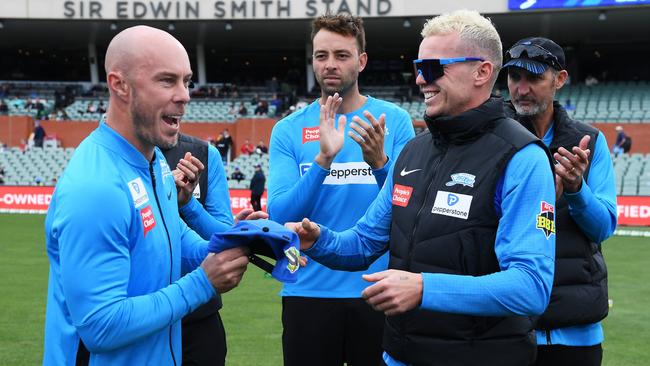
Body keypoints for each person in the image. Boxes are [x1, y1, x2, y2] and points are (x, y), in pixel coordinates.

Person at [286, 10, 557, 366]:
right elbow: (364, 242)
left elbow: (530, 287)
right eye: (418, 66)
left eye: (433, 68)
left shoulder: (522, 158)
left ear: (482, 71)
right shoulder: (414, 149)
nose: (420, 79)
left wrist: (423, 288)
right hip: (399, 355)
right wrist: (317, 239)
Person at [42, 25, 250, 365]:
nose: (184, 95)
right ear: (119, 85)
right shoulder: (95, 188)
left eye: (187, 80)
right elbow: (101, 326)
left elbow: (177, 245)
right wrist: (203, 282)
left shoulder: (155, 166)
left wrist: (237, 242)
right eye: (167, 80)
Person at [268, 13, 415, 366]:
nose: (330, 64)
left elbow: (410, 210)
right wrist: (323, 159)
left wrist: (380, 165)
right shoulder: (288, 130)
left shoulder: (393, 121)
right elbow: (280, 216)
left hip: (378, 289)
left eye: (342, 55)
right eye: (322, 56)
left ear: (361, 61)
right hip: (306, 291)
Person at [503, 36, 617, 366]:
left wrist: (576, 189)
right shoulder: (492, 140)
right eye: (514, 77)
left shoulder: (590, 142)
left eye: (534, 78)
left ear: (560, 80)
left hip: (576, 333)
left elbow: (603, 227)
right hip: (506, 327)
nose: (521, 89)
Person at [163, 133, 267, 366]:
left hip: (200, 313)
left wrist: (189, 205)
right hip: (144, 315)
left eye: (186, 93)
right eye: (168, 92)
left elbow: (217, 235)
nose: (181, 98)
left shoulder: (204, 154)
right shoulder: (120, 161)